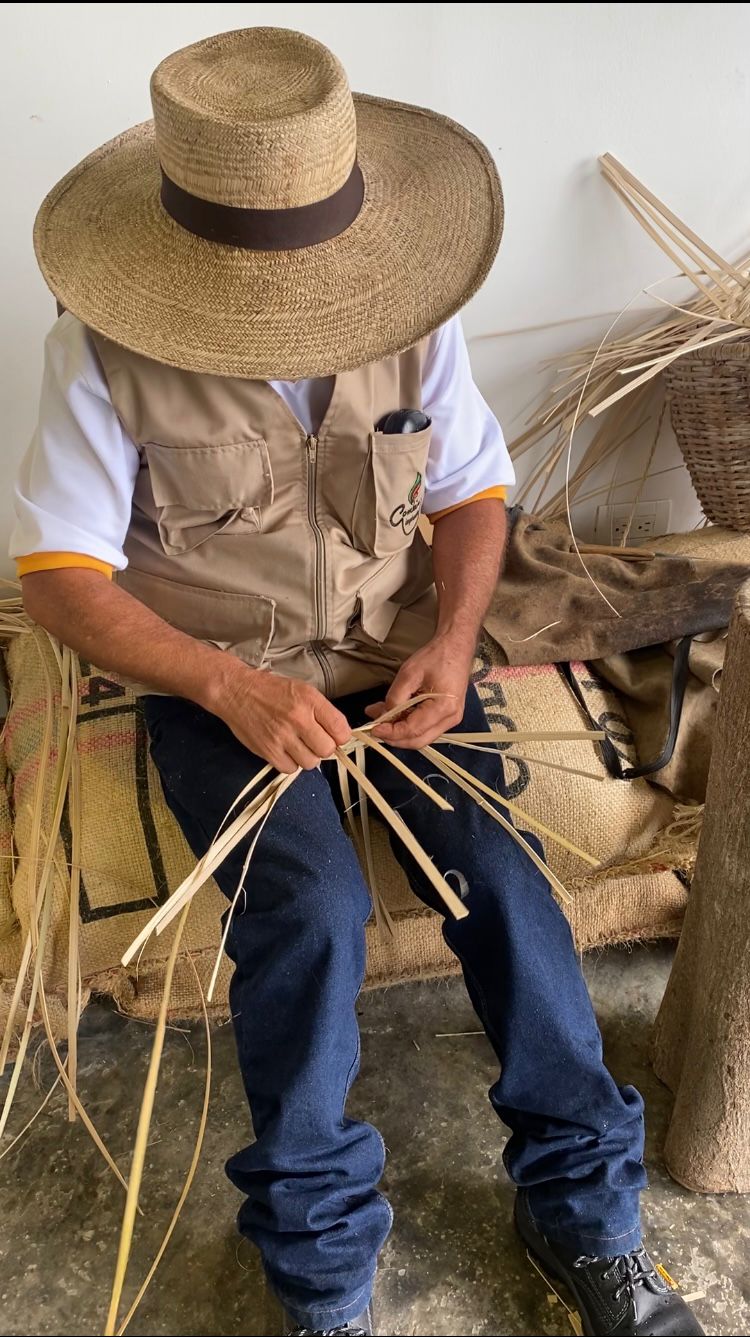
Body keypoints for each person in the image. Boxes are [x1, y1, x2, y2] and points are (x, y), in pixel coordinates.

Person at [12, 27, 703, 1337]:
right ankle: (321, 1269)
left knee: (503, 878)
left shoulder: (411, 319)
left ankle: (584, 1214)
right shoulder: (100, 355)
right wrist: (226, 686)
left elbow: (469, 493)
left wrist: (451, 642)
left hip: (398, 663)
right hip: (220, 682)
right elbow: (60, 581)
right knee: (312, 909)